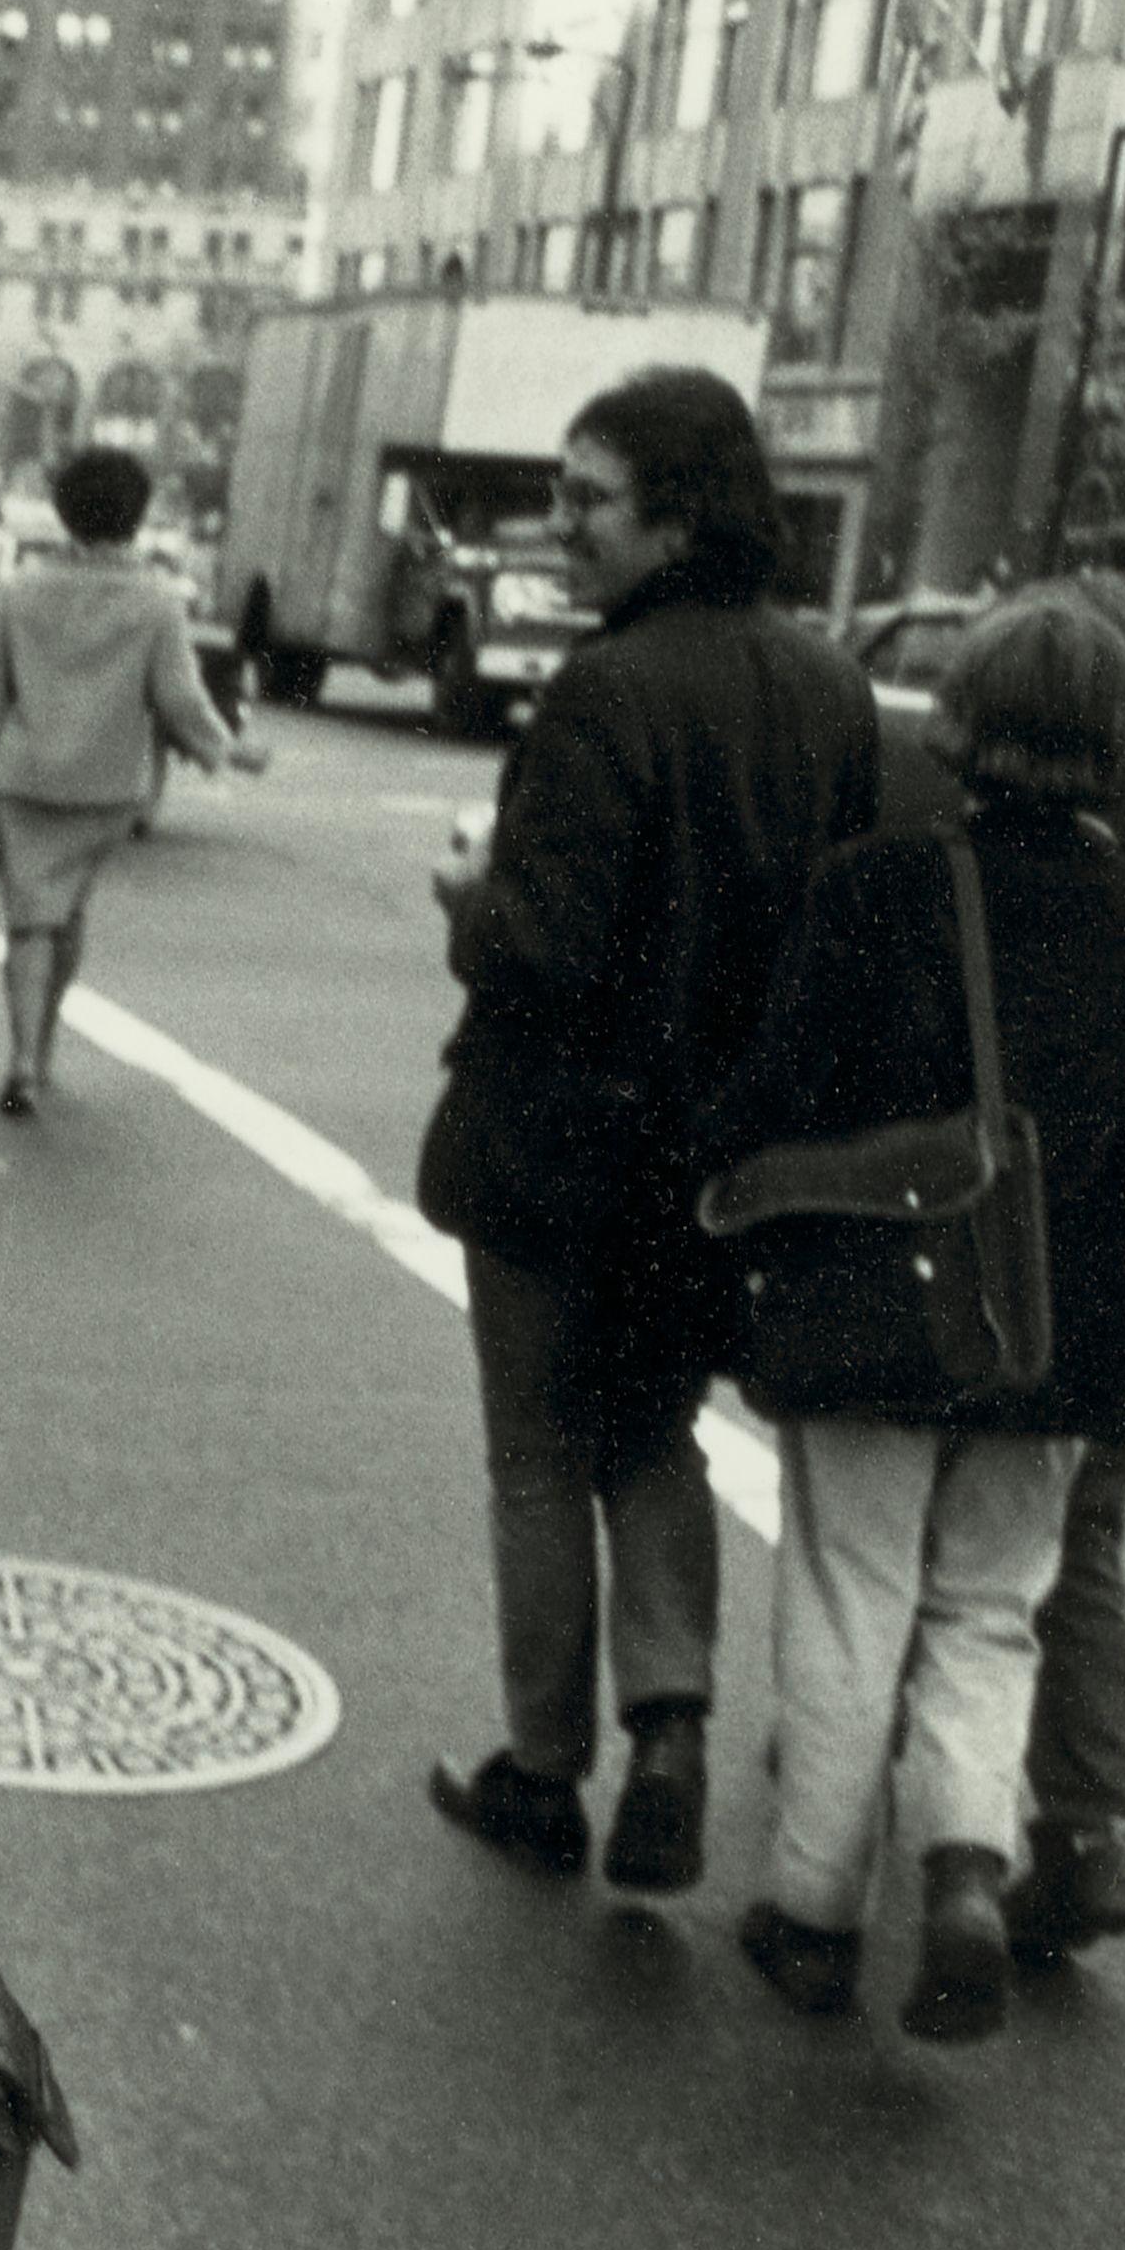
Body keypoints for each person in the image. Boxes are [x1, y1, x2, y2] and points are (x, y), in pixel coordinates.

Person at [694, 599, 1125, 2041]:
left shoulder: (873, 887)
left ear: (962, 717)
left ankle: (815, 1911)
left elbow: (774, 1098)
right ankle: (961, 1864)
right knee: (991, 1610)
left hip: (872, 1320)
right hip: (1059, 1345)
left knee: (850, 1595)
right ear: (1123, 742)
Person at [417, 366, 880, 1895]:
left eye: (587, 499)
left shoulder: (605, 689)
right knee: (654, 1431)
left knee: (538, 1452)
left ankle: (544, 1768)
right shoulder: (831, 688)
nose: (561, 526)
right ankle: (672, 1726)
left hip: (558, 1146)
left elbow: (543, 947)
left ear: (678, 519)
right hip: (723, 1159)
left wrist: (468, 897)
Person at [867, 569, 1125, 1961]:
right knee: (1072, 1551)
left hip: (963, 1257)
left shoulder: (941, 819)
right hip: (1119, 1291)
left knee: (919, 1536)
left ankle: (900, 1774)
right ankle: (1090, 1821)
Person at [0, 445, 273, 1117]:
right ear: (137, 514)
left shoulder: (20, 591)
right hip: (106, 784)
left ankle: (22, 1057)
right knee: (66, 912)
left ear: (64, 512)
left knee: (28, 917)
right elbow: (179, 699)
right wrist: (227, 751)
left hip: (22, 780)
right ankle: (44, 1044)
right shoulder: (155, 600)